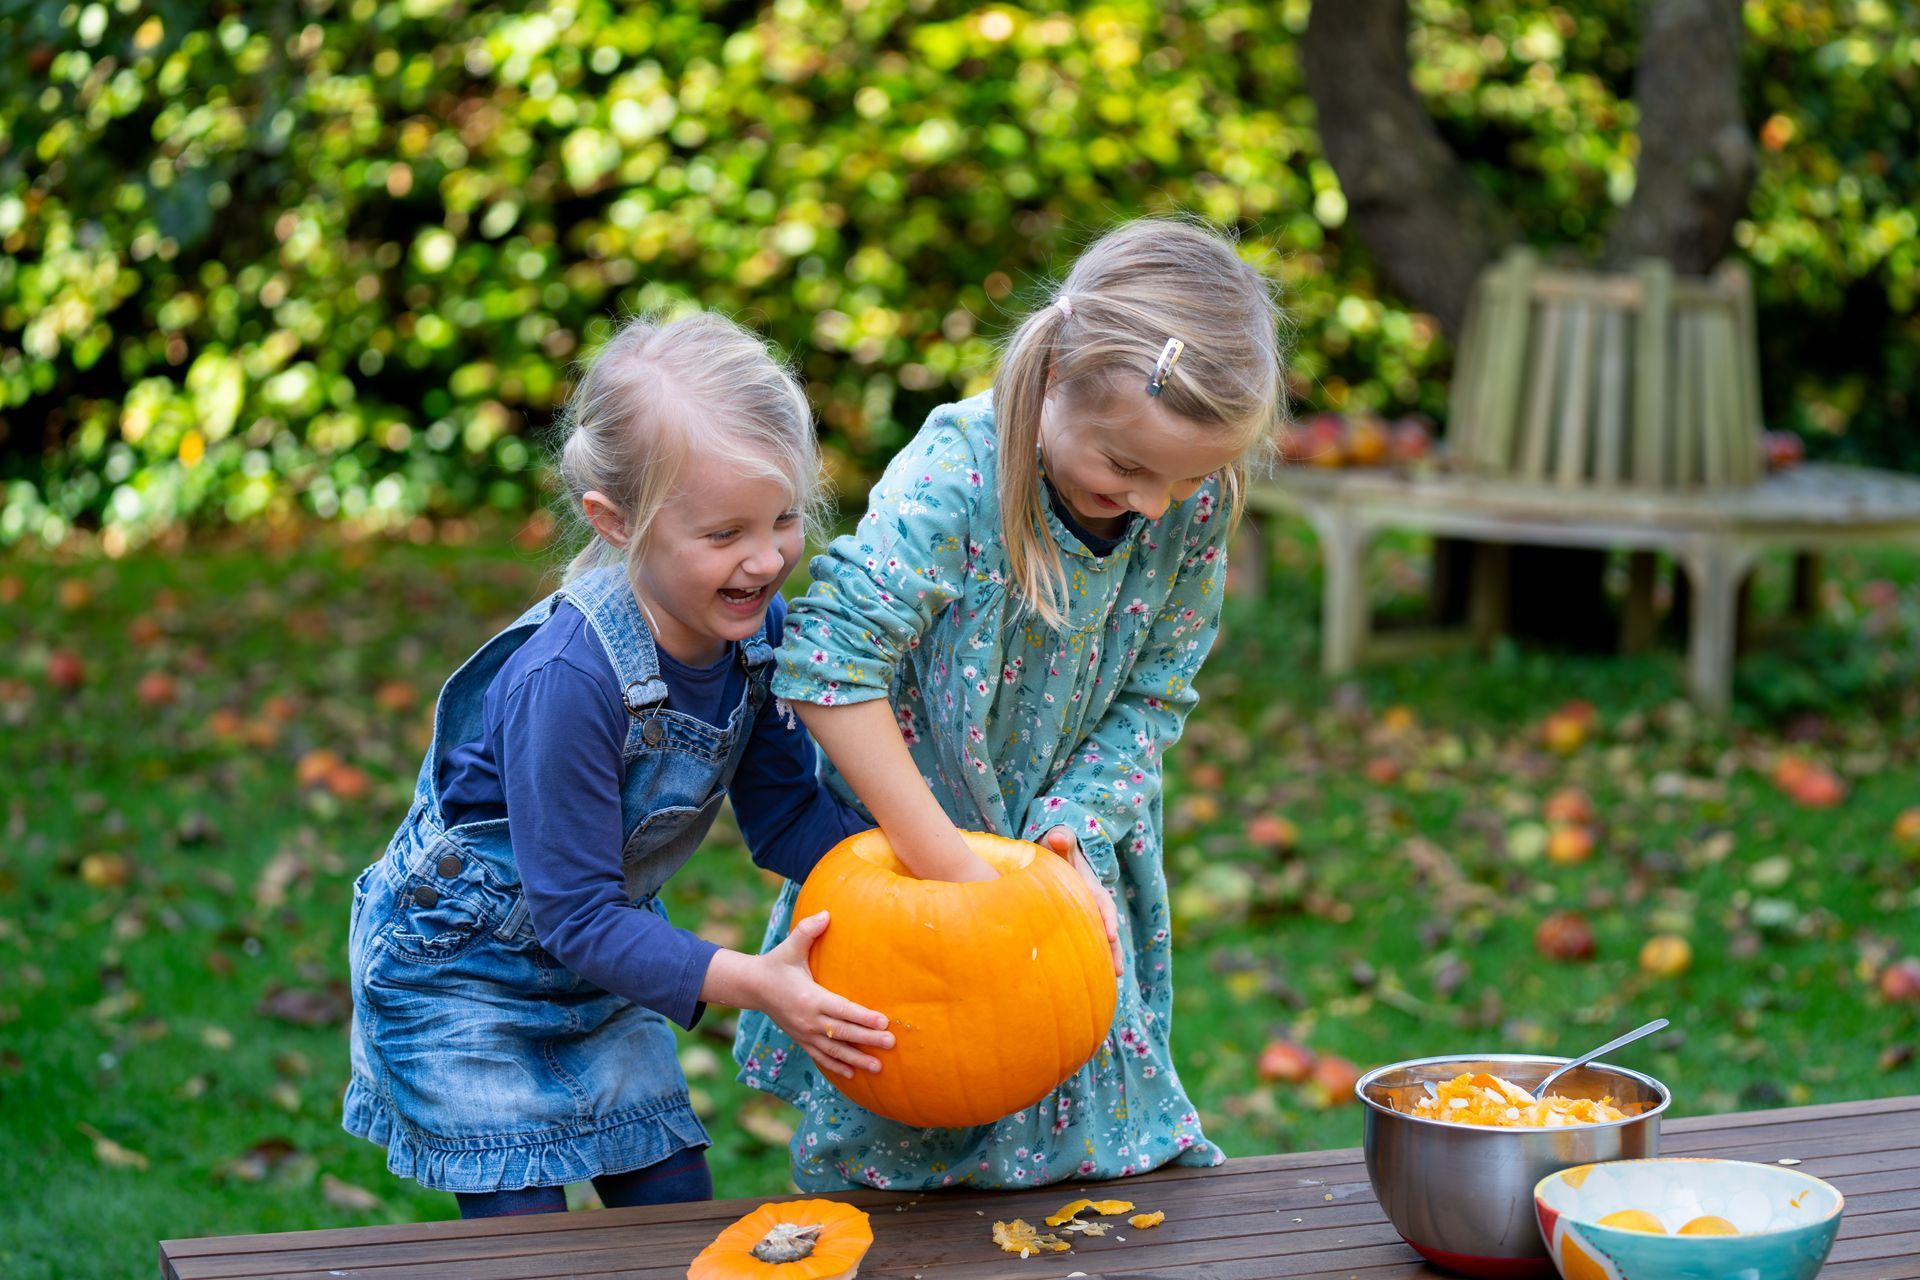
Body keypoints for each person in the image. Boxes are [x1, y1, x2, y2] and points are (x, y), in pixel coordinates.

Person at [734, 218, 1287, 1190]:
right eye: (1126, 467)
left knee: (1097, 1170)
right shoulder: (956, 479)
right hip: (908, 883)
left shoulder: (1191, 506)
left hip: (1070, 872)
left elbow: (1155, 692)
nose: (1157, 503)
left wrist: (1074, 828)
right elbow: (826, 664)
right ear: (1058, 371)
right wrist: (948, 865)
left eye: (1190, 476)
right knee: (900, 1169)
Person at [343, 312, 891, 1218]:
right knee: (529, 1240)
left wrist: (920, 873)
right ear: (617, 521)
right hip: (462, 971)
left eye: (785, 518)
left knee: (672, 1209)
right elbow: (576, 911)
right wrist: (750, 980)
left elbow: (790, 819)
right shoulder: (567, 680)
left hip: (602, 955)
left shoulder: (755, 634)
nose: (766, 558)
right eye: (724, 534)